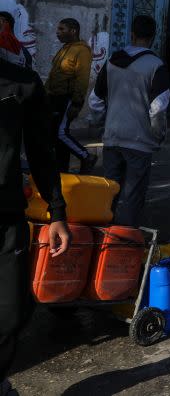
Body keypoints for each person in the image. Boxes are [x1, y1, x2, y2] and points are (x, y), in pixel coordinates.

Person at [1, 55, 70, 395]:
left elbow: (42, 151)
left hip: (7, 216)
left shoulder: (22, 83)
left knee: (12, 310)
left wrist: (57, 212)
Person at [88, 15, 168, 227]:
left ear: (131, 34)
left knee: (109, 192)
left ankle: (103, 239)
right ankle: (123, 244)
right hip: (139, 143)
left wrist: (104, 123)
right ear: (153, 37)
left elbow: (95, 101)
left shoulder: (112, 61)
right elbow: (158, 109)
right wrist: (158, 136)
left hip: (112, 138)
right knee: (132, 197)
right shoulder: (156, 65)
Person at [45, 18, 96, 172]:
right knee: (54, 137)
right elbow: (54, 76)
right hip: (53, 98)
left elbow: (82, 78)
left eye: (62, 29)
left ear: (73, 31)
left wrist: (77, 103)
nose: (57, 32)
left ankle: (86, 156)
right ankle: (61, 170)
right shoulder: (64, 49)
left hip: (67, 99)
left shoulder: (82, 50)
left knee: (60, 133)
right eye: (58, 29)